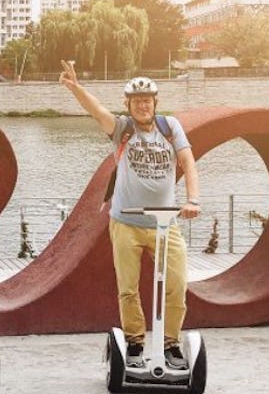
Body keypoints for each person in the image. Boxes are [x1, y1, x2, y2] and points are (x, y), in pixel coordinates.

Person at [59, 62, 201, 370]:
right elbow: (98, 112)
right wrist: (75, 87)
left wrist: (192, 200)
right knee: (128, 287)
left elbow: (188, 163)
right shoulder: (122, 130)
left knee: (177, 284)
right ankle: (135, 342)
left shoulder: (170, 126)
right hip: (126, 222)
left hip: (166, 224)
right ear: (128, 105)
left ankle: (171, 344)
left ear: (155, 103)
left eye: (147, 100)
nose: (142, 105)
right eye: (136, 101)